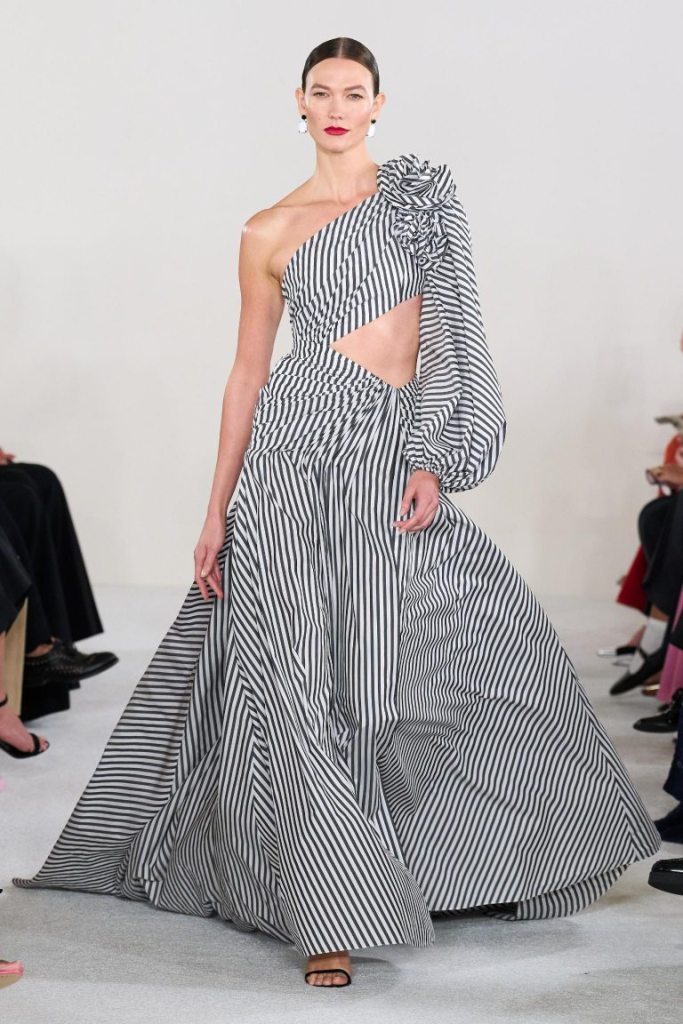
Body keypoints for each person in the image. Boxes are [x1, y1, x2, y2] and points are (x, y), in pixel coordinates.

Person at [13, 37, 661, 989]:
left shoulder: (418, 202)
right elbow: (247, 372)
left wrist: (431, 454)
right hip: (293, 454)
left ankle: (461, 859)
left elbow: (451, 336)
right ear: (299, 101)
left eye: (353, 93)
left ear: (379, 105)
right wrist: (214, 510)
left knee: (476, 650)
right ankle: (327, 912)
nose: (336, 107)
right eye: (321, 92)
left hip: (390, 448)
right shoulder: (267, 229)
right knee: (299, 677)